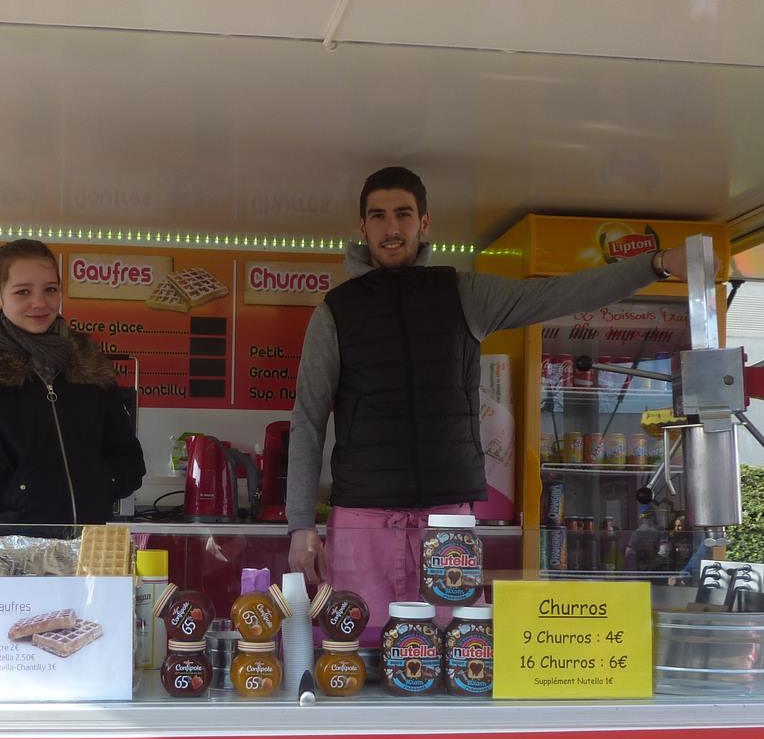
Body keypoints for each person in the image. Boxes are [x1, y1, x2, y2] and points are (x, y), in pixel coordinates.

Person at [286, 167, 689, 629]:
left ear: (424, 222)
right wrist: (301, 525)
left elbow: (561, 294)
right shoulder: (336, 311)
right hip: (363, 519)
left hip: (447, 518)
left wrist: (655, 264)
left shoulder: (464, 293)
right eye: (378, 216)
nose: (391, 228)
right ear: (362, 226)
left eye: (403, 214)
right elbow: (308, 420)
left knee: (460, 648)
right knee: (361, 650)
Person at [0, 239, 145, 527]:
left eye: (50, 289)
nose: (39, 303)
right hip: (10, 545)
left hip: (89, 544)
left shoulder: (91, 367)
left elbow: (129, 461)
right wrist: (19, 491)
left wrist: (99, 484)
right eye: (23, 291)